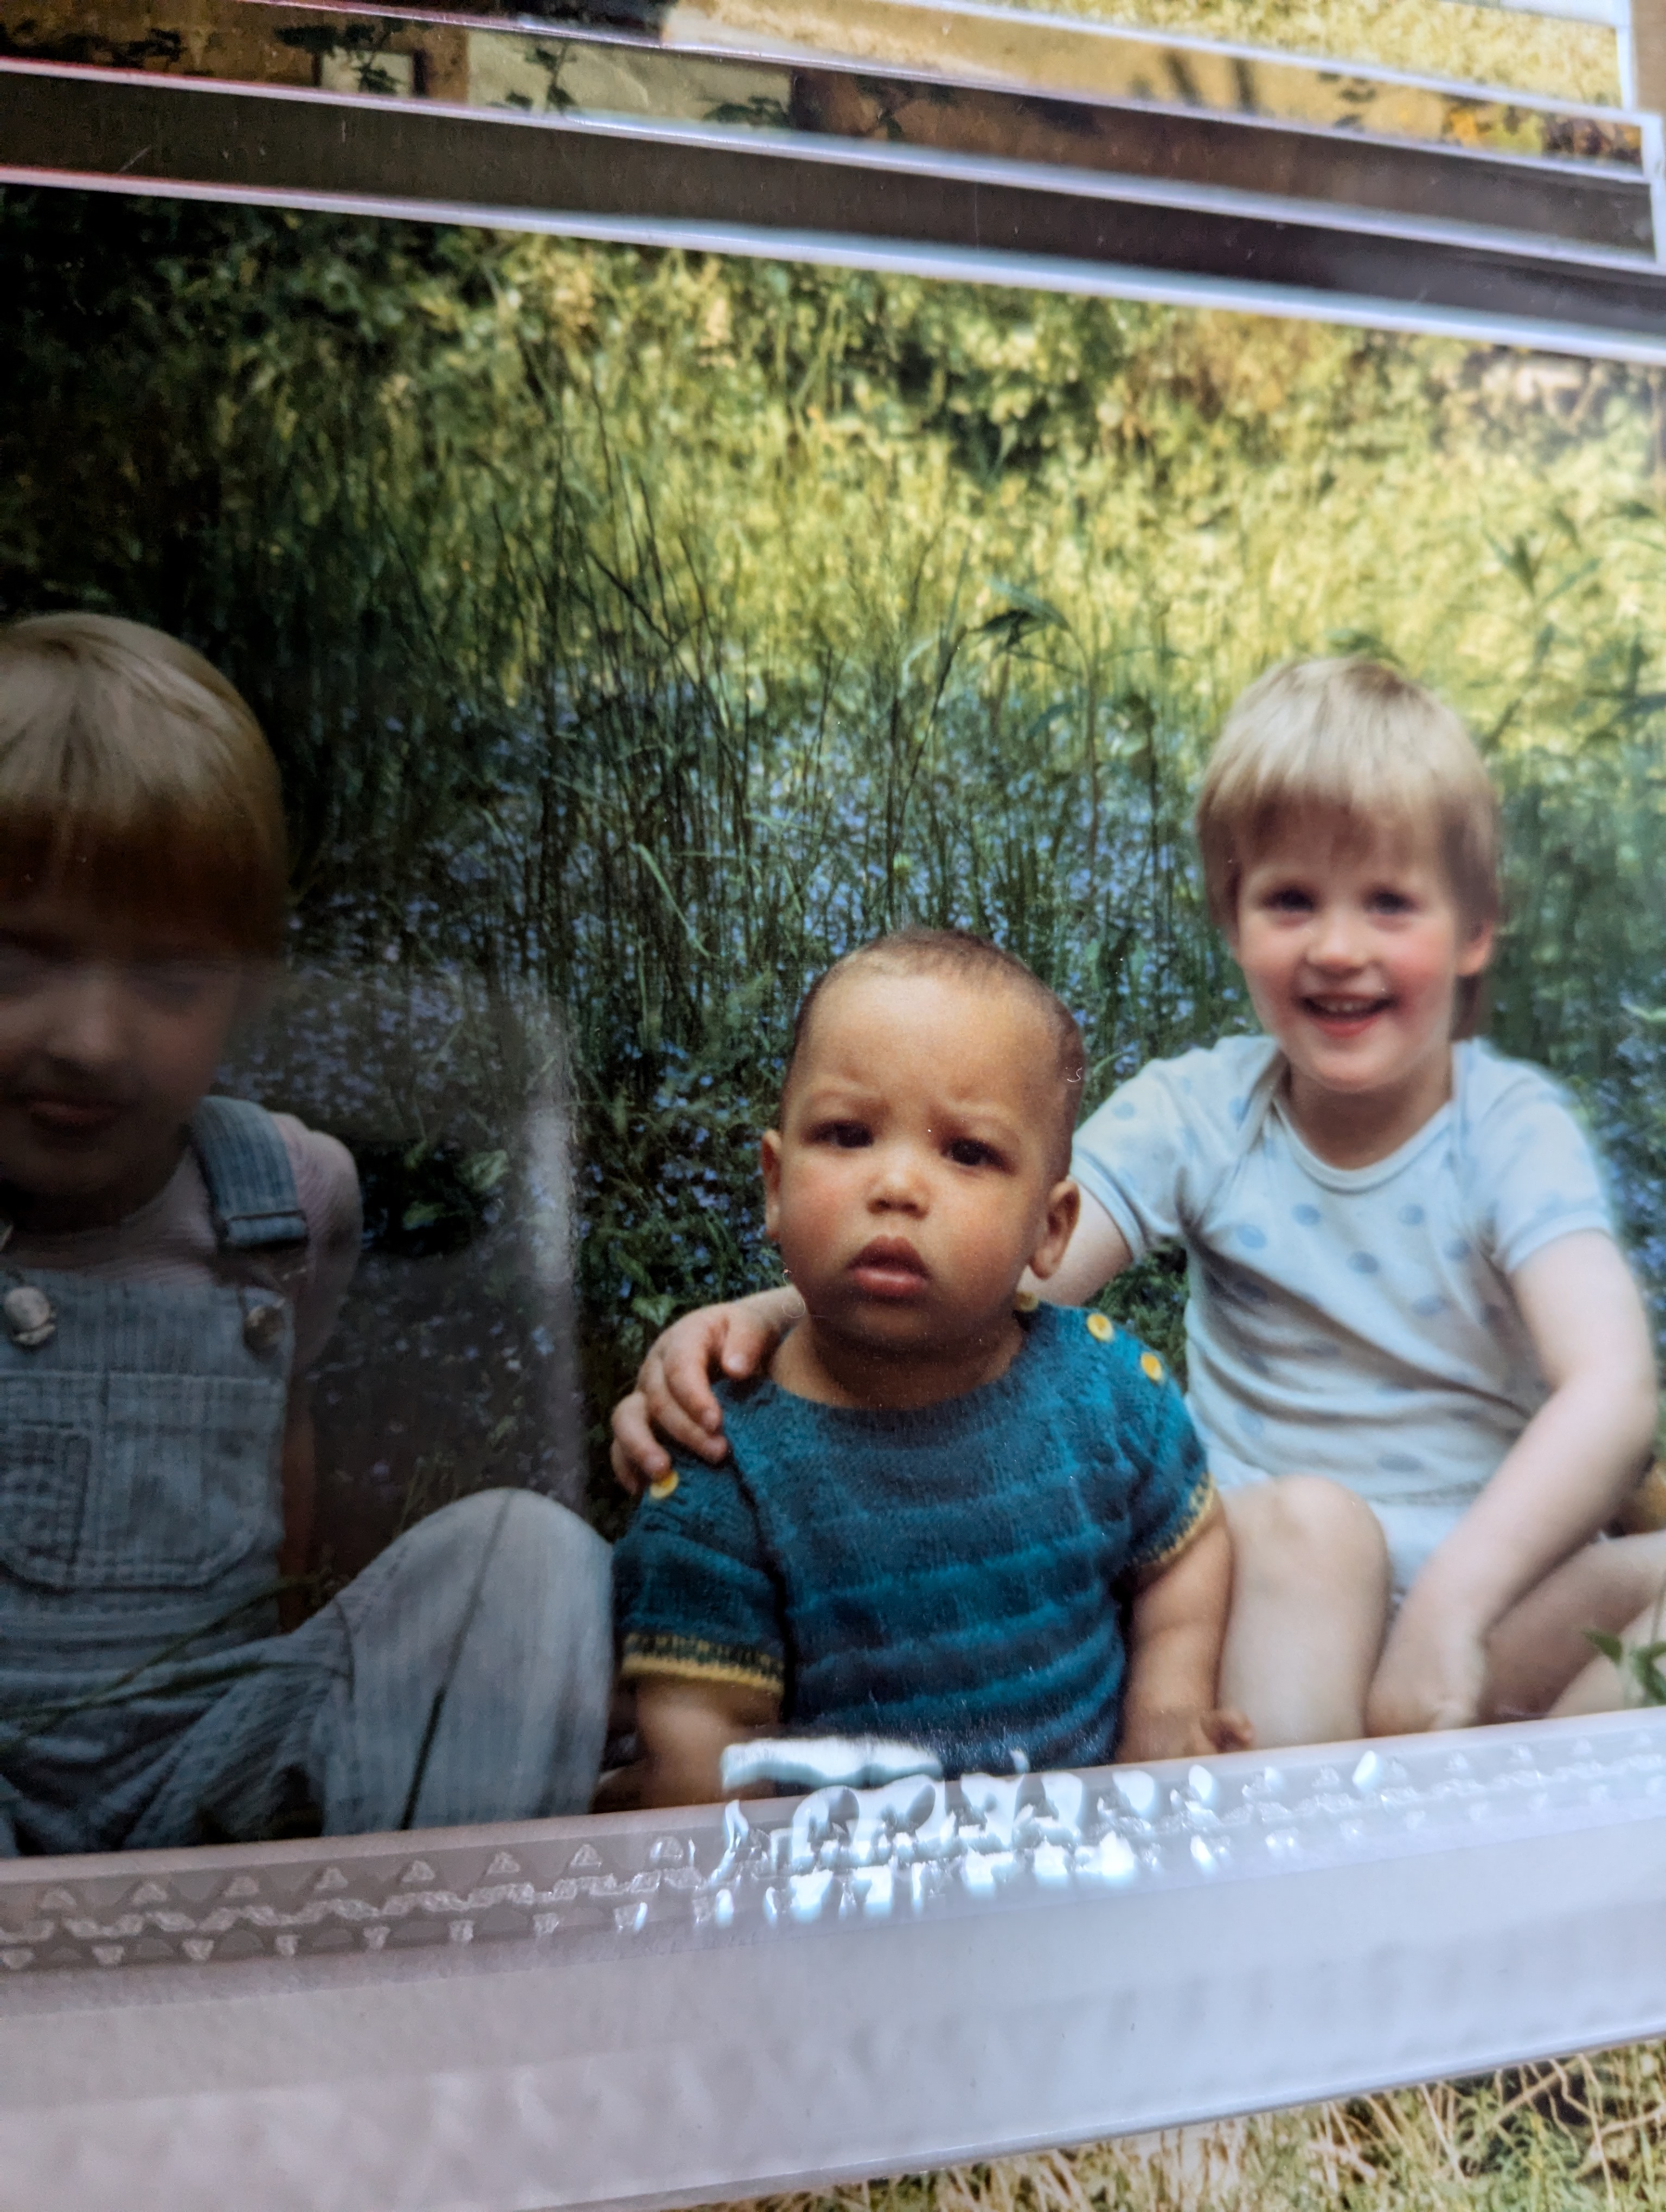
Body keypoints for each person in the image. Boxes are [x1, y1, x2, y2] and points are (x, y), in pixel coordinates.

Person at [612, 659, 1665, 1750]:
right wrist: (750, 1327)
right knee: (1319, 1525)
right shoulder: (1201, 1112)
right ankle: (1306, 1833)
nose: (1338, 947)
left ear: (1476, 929)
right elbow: (995, 1261)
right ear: (1233, 918)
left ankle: (1529, 1815)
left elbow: (1612, 1390)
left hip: (1484, 1603)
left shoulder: (1509, 1130)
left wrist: (1452, 1615)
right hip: (1276, 1596)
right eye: (1292, 900)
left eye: (1390, 903)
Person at [0, 612, 610, 1854]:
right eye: (22, 965)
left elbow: (282, 1484)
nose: (91, 1041)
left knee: (530, 1560)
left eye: (169, 981)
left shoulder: (285, 1201)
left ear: (246, 991)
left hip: (205, 1779)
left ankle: (410, 1948)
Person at [611, 928, 1246, 1807]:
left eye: (968, 1153)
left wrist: (1168, 1710)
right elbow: (704, 1751)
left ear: (1050, 1229)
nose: (899, 1186)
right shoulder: (726, 1460)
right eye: (848, 1135)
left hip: (1085, 1859)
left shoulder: (1106, 1394)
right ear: (774, 1184)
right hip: (847, 1880)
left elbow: (1185, 1546)